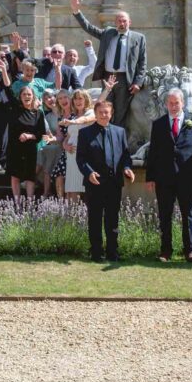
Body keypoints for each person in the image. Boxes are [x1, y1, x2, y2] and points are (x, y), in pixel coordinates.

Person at [145, 88, 192, 263]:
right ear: (166, 104)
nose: (174, 106)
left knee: (188, 215)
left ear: (182, 103)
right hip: (164, 177)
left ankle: (190, 252)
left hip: (186, 176)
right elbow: (153, 152)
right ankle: (165, 251)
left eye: (177, 103)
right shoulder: (159, 124)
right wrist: (150, 177)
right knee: (165, 215)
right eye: (171, 103)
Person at [70, 0, 147, 128]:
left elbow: (142, 62)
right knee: (104, 110)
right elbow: (89, 27)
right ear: (115, 22)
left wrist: (138, 83)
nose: (121, 23)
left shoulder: (138, 38)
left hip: (125, 80)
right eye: (119, 21)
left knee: (121, 113)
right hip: (107, 77)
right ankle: (104, 138)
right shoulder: (108, 33)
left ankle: (118, 142)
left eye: (124, 21)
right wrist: (77, 12)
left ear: (129, 22)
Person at [76, 100, 135, 262]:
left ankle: (112, 252)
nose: (104, 115)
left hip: (114, 183)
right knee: (94, 218)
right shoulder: (85, 133)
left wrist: (127, 168)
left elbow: (125, 156)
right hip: (94, 183)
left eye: (106, 112)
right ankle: (96, 252)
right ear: (95, 114)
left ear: (111, 113)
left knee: (112, 219)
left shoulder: (119, 132)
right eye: (101, 112)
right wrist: (89, 173)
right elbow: (80, 158)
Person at [0, 56, 51, 200]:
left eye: (29, 94)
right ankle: (16, 201)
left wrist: (29, 136)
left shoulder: (37, 114)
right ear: (20, 97)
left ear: (33, 96)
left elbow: (40, 134)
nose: (27, 96)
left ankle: (29, 201)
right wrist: (4, 69)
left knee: (29, 176)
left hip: (29, 149)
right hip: (14, 148)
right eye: (24, 94)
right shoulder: (15, 109)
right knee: (15, 175)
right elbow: (8, 88)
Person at [62, 88, 97, 201]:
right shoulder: (73, 117)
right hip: (71, 156)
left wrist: (72, 122)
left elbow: (86, 119)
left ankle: (86, 215)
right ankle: (73, 216)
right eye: (76, 99)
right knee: (72, 187)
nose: (78, 101)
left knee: (84, 187)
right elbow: (66, 138)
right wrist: (65, 146)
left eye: (80, 98)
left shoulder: (91, 112)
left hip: (84, 155)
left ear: (86, 99)